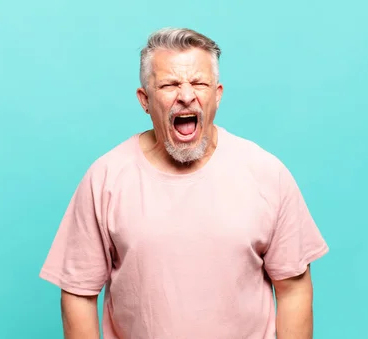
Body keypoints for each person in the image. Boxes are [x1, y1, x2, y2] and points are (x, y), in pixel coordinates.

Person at [39, 27, 329, 339]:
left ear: (217, 94)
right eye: (169, 84)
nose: (186, 96)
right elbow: (78, 293)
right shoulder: (105, 178)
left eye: (199, 83)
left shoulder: (266, 173)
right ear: (145, 100)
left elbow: (294, 289)